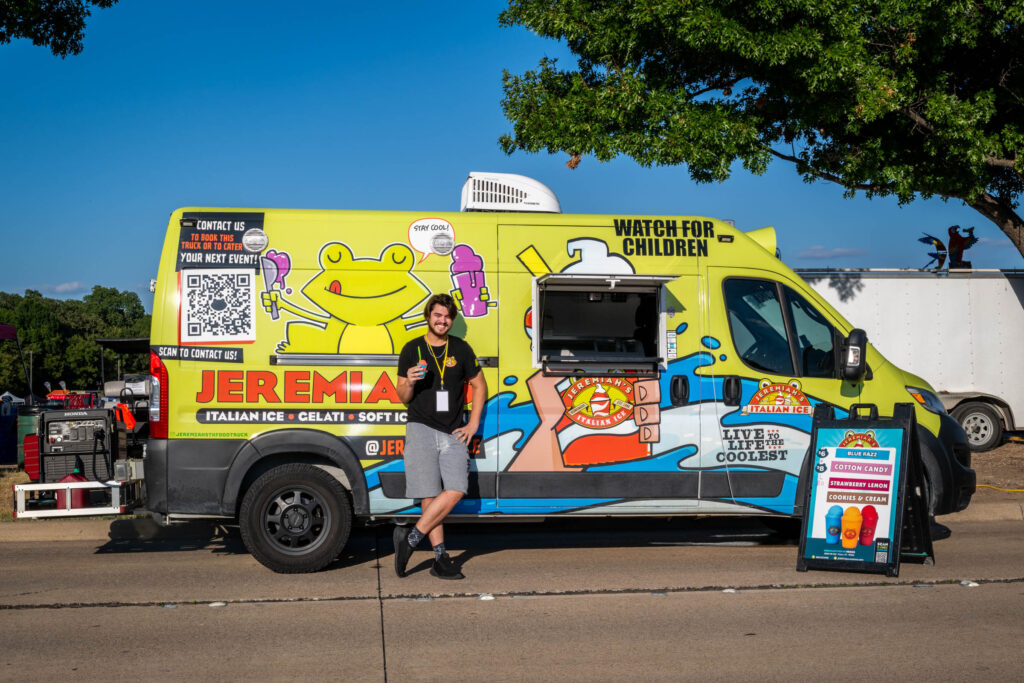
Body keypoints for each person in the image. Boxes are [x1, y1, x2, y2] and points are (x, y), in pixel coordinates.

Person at [393, 293, 487, 579]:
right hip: (420, 427)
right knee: (429, 494)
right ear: (428, 316)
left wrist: (472, 425)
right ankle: (440, 558)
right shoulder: (412, 349)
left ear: (452, 320)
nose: (442, 320)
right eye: (437, 315)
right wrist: (409, 380)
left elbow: (480, 386)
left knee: (457, 488)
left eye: (446, 316)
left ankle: (410, 539)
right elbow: (402, 396)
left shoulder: (461, 348)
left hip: (452, 431)